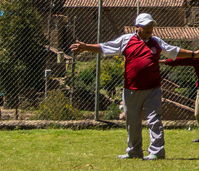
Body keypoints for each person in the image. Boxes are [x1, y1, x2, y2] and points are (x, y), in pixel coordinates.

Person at [70, 12, 185, 161]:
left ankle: (157, 152)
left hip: (153, 89)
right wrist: (86, 47)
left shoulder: (156, 41)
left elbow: (174, 51)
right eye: (146, 26)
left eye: (151, 26)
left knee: (154, 120)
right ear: (137, 27)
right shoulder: (126, 40)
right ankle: (134, 151)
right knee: (132, 121)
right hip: (131, 89)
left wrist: (195, 54)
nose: (150, 29)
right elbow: (105, 47)